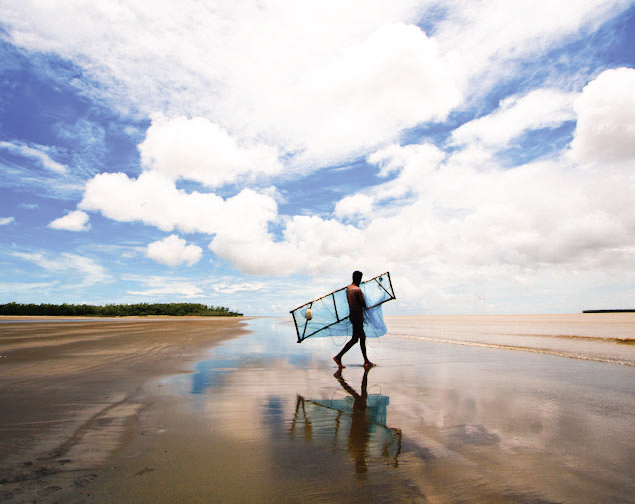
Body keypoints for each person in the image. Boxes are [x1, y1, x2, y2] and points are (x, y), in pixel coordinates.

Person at [333, 270, 375, 368]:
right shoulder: (357, 290)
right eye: (360, 278)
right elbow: (363, 304)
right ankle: (338, 357)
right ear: (358, 278)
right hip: (358, 317)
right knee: (355, 339)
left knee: (360, 338)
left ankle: (366, 360)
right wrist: (364, 297)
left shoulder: (348, 289)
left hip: (353, 316)